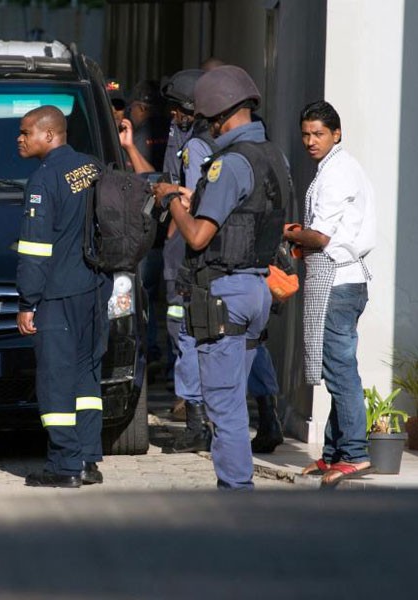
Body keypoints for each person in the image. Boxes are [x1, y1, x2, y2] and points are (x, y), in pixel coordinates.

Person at [155, 65, 290, 489]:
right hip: (257, 291)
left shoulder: (227, 164)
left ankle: (236, 494)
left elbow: (196, 236)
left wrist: (172, 198)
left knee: (225, 407)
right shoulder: (274, 156)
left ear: (219, 116)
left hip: (225, 294)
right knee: (236, 396)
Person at [15, 105, 108, 488]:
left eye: (25, 133)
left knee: (55, 378)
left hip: (58, 293)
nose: (19, 139)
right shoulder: (93, 167)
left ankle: (64, 465)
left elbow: (35, 249)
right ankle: (87, 458)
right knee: (87, 374)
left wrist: (27, 301)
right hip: (96, 287)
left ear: (49, 135)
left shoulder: (44, 179)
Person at [285, 100, 376, 487]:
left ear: (336, 134)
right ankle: (335, 453)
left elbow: (320, 237)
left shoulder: (338, 172)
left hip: (339, 281)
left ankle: (354, 453)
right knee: (334, 366)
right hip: (340, 280)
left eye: (318, 133)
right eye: (305, 134)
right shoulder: (336, 167)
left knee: (340, 371)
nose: (310, 141)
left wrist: (288, 232)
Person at [154, 69, 214, 453]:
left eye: (177, 110)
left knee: (184, 335)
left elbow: (190, 200)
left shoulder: (196, 147)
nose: (173, 116)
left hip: (190, 257)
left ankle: (195, 423)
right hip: (221, 258)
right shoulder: (231, 141)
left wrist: (169, 192)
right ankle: (268, 414)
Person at [119, 80, 172, 372]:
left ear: (140, 107)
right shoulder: (172, 132)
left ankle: (149, 352)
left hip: (151, 231)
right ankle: (163, 360)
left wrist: (127, 148)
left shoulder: (141, 136)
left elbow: (150, 180)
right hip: (171, 232)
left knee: (144, 295)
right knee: (171, 301)